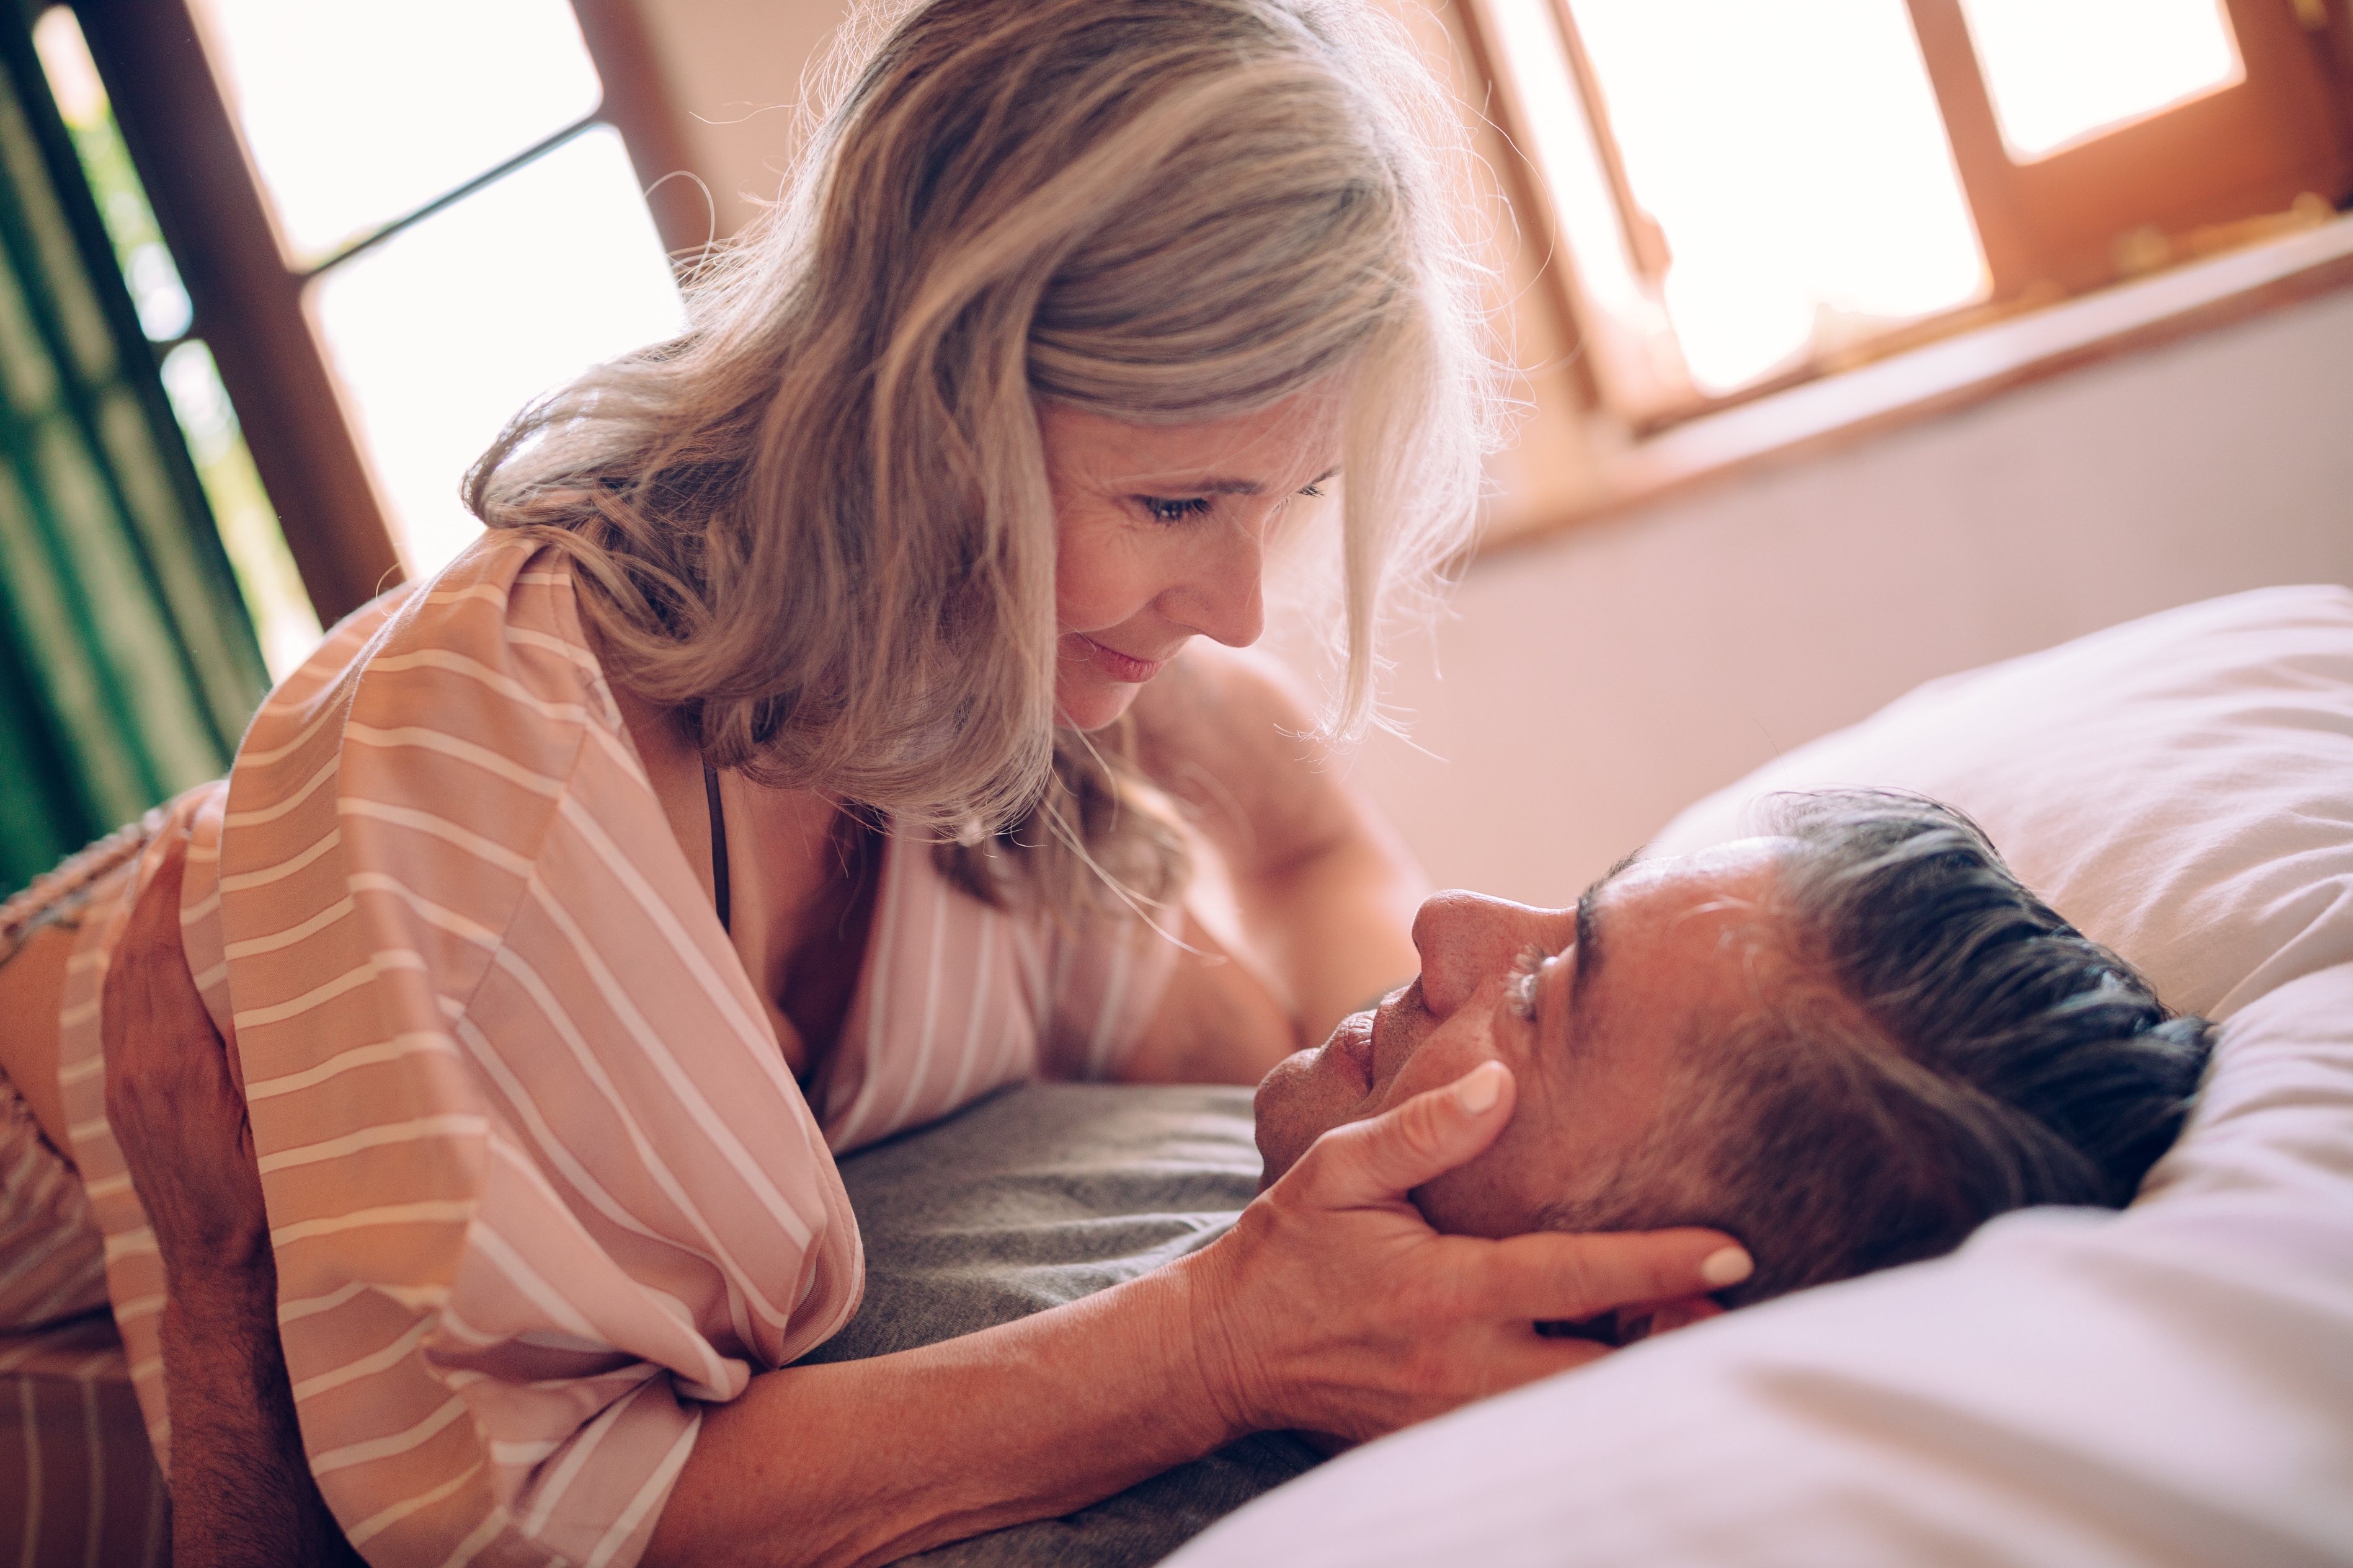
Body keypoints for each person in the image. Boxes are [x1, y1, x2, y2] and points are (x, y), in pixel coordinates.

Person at [0, 1, 1755, 1564]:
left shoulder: (1002, 685)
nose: (1233, 607)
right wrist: (1216, 1341)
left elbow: (1274, 1009)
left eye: (1281, 507)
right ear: (926, 400)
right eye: (1176, 504)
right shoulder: (496, 762)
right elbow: (534, 1517)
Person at [100, 789, 2211, 1565]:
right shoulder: (1345, 1172)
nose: (1456, 933)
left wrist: (215, 1272)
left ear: (1635, 1305)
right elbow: (1314, 884)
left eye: (1549, 987)